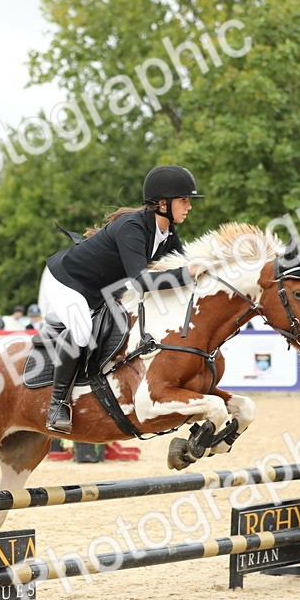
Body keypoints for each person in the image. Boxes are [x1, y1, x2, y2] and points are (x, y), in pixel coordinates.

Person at [38, 165, 205, 433]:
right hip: (68, 283)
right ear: (163, 203)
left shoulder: (168, 234)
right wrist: (187, 273)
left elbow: (182, 269)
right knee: (82, 333)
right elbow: (141, 282)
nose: (189, 206)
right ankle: (58, 404)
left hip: (104, 288)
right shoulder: (132, 227)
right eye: (184, 200)